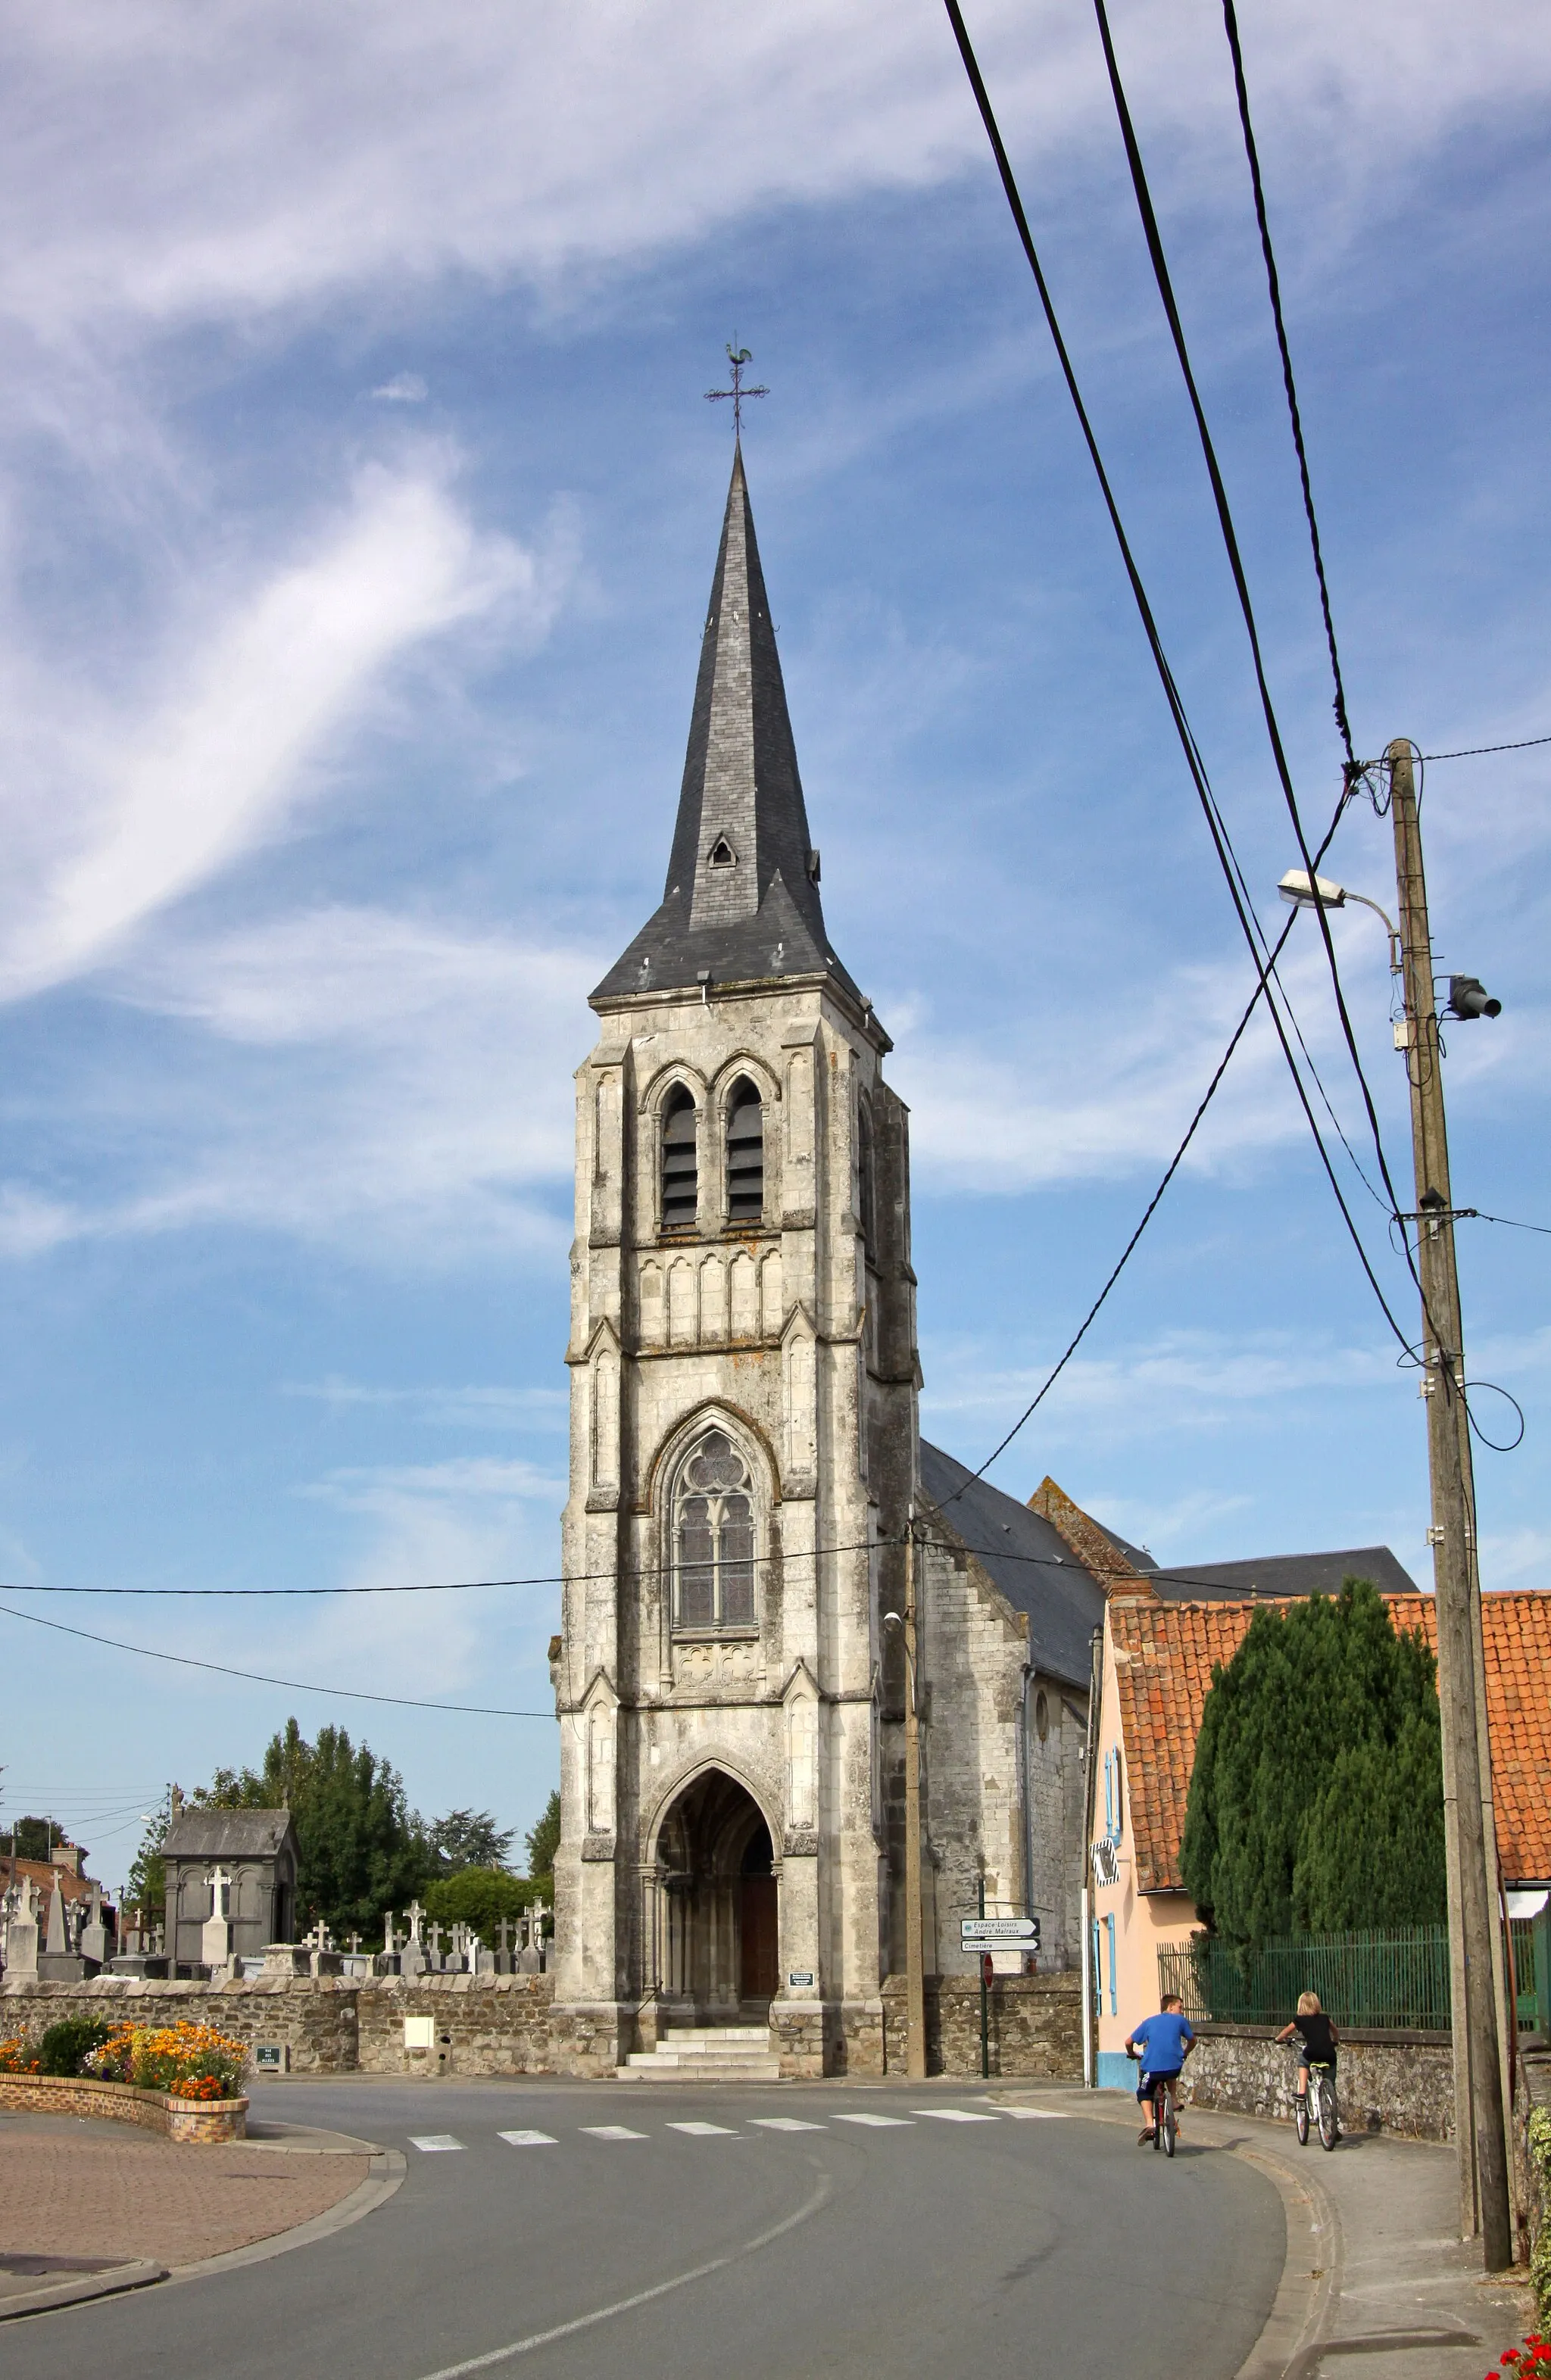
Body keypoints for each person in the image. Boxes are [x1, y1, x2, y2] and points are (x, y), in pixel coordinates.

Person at [1125, 1992, 1197, 2143]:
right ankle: (1174, 2100)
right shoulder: (1181, 2021)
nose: (1182, 2011)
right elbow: (1193, 2041)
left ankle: (1150, 2124)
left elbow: (1128, 2042)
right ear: (1171, 2007)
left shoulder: (1149, 2022)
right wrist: (1185, 2053)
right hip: (1174, 2067)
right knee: (1171, 2072)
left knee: (1143, 2092)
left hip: (1151, 2070)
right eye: (1180, 2007)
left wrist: (1132, 2054)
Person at [1277, 1991, 1339, 2108]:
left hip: (1312, 2052)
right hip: (1329, 2053)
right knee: (1331, 2076)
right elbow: (1335, 2031)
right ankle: (1331, 2097)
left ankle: (1301, 2093)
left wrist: (1278, 2039)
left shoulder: (1300, 2020)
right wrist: (1335, 2040)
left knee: (1303, 2061)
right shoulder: (1325, 2018)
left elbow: (1285, 2032)